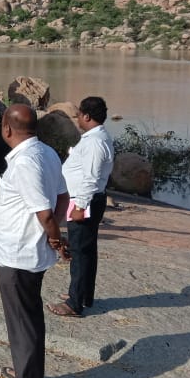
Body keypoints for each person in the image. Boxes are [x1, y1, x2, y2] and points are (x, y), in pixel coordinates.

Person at [0, 104, 70, 378]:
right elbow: (63, 196)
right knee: (26, 317)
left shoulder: (25, 162)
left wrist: (54, 236)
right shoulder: (47, 153)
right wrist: (54, 232)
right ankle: (26, 372)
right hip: (27, 252)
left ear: (7, 129)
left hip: (20, 255)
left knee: (23, 321)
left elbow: (46, 211)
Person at [46, 97, 114, 318]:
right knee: (86, 250)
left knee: (79, 251)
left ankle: (75, 303)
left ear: (86, 116)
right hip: (85, 199)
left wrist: (80, 205)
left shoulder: (95, 142)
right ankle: (83, 294)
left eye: (78, 116)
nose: (77, 120)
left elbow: (91, 177)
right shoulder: (95, 138)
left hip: (85, 200)